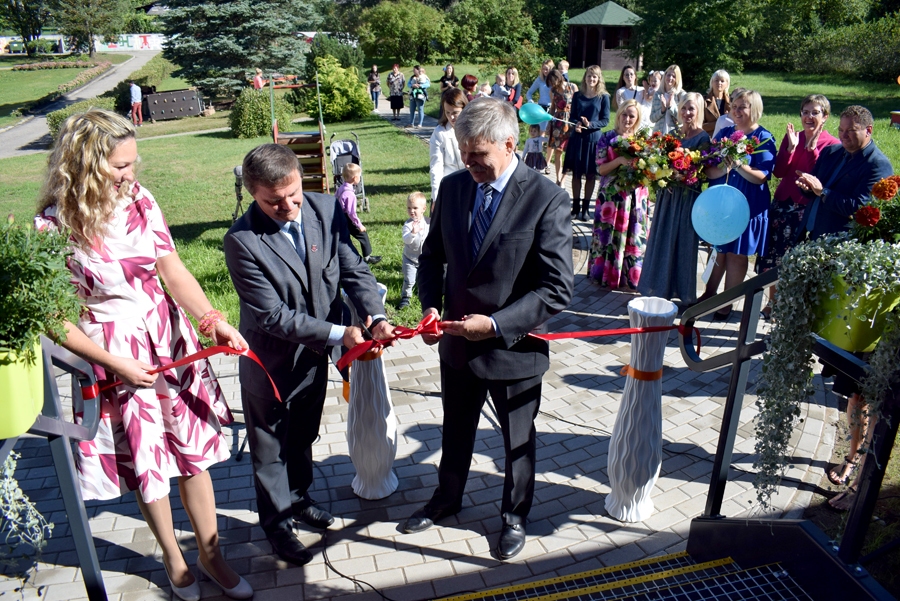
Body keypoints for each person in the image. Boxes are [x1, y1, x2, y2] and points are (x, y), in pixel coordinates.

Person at [35, 109, 252, 601]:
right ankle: (174, 562)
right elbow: (55, 317)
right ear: (83, 165)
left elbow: (172, 272)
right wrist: (113, 364)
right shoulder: (51, 228)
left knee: (193, 455)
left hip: (167, 338)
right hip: (115, 355)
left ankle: (211, 554)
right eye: (119, 167)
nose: (131, 175)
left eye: (133, 163)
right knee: (148, 462)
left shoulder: (141, 201)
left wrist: (211, 321)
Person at [402, 97, 574, 561]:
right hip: (456, 344)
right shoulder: (455, 189)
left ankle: (514, 515)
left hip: (513, 349)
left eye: (478, 155)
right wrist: (431, 307)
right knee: (455, 430)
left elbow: (557, 289)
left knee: (518, 440)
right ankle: (446, 500)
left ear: (509, 144)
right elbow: (433, 256)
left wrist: (497, 324)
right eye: (464, 153)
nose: (469, 163)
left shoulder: (546, 198)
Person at [223, 144, 394, 567]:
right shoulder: (242, 241)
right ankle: (277, 525)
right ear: (252, 194)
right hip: (271, 363)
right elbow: (272, 315)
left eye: (294, 194)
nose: (287, 206)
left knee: (302, 437)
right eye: (273, 200)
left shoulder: (325, 209)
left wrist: (375, 315)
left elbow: (353, 269)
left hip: (312, 360)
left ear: (302, 179)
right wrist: (342, 333)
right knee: (270, 450)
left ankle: (299, 499)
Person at [758, 94, 839, 316]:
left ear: (825, 117)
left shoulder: (833, 145)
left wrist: (812, 149)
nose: (809, 116)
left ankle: (787, 306)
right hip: (782, 203)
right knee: (774, 256)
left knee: (792, 258)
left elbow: (816, 178)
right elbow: (780, 172)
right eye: (805, 112)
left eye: (815, 112)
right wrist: (791, 148)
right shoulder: (794, 136)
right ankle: (773, 302)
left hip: (804, 209)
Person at [698, 89, 776, 319]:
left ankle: (726, 302)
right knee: (718, 251)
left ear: (755, 109)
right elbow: (710, 171)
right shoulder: (726, 133)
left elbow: (762, 176)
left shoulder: (764, 137)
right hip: (722, 205)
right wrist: (724, 166)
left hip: (747, 205)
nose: (737, 110)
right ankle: (708, 295)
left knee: (736, 254)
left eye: (743, 106)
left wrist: (740, 165)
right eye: (734, 106)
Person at [638, 93, 711, 304]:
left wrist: (685, 173)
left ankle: (684, 294)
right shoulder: (672, 135)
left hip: (687, 198)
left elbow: (702, 171)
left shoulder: (702, 138)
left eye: (692, 109)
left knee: (683, 242)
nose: (687, 113)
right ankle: (657, 289)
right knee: (662, 238)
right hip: (667, 196)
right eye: (684, 108)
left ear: (698, 111)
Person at [795, 105, 894, 241]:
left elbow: (861, 209)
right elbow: (814, 189)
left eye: (851, 130)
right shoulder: (830, 152)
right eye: (841, 130)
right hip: (811, 233)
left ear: (868, 130)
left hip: (841, 243)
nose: (844, 135)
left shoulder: (877, 165)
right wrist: (806, 186)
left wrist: (823, 192)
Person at [589, 100, 649, 289]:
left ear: (637, 118)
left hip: (636, 198)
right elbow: (601, 169)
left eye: (632, 116)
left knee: (633, 235)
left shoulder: (642, 142)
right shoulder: (606, 137)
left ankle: (629, 277)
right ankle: (606, 275)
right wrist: (620, 161)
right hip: (611, 198)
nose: (628, 119)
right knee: (607, 236)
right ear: (619, 115)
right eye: (625, 114)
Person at [563, 65, 610, 221]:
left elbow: (605, 120)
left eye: (594, 76)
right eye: (589, 76)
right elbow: (572, 116)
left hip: (593, 140)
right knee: (576, 173)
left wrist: (590, 125)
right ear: (585, 78)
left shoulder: (603, 97)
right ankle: (575, 208)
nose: (591, 79)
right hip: (577, 139)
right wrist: (577, 123)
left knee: (590, 175)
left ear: (599, 79)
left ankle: (585, 209)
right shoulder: (577, 95)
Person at [429, 88, 467, 206]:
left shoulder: (473, 130)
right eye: (447, 113)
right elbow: (436, 166)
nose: (451, 118)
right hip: (449, 187)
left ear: (464, 109)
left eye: (455, 112)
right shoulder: (439, 133)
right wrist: (436, 196)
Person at [337, 163, 381, 265]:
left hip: (339, 216)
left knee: (344, 238)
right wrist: (359, 225)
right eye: (359, 176)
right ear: (355, 178)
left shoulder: (341, 188)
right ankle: (367, 257)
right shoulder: (350, 194)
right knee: (362, 235)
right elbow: (351, 213)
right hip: (347, 218)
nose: (360, 178)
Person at [545, 69, 577, 186]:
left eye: (553, 81)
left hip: (570, 122)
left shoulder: (572, 87)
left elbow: (578, 104)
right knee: (558, 151)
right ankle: (558, 179)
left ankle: (563, 179)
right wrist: (549, 121)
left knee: (569, 152)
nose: (552, 85)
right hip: (558, 123)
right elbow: (553, 108)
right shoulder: (552, 92)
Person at [398, 191, 430, 310]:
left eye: (415, 208)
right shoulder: (408, 225)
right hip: (410, 259)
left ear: (423, 209)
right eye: (409, 208)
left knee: (424, 278)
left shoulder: (428, 223)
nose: (412, 211)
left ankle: (423, 295)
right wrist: (412, 233)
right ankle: (405, 297)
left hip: (424, 258)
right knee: (409, 279)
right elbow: (406, 240)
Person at [650, 65, 686, 134]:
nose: (670, 78)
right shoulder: (657, 94)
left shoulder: (682, 95)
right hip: (658, 135)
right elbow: (652, 119)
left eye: (674, 76)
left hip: (674, 135)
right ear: (665, 76)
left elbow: (683, 119)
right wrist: (662, 111)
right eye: (668, 75)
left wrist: (671, 107)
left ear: (677, 79)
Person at [525, 59, 554, 132]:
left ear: (551, 69)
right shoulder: (540, 79)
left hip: (552, 108)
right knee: (540, 132)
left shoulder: (554, 80)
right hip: (541, 109)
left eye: (547, 69)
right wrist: (530, 100)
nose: (544, 71)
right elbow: (529, 92)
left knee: (550, 133)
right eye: (543, 69)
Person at [702, 70, 730, 136]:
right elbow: (699, 126)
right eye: (716, 80)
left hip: (728, 139)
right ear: (712, 82)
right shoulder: (704, 101)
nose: (719, 83)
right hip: (709, 138)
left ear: (727, 84)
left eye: (722, 81)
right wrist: (719, 123)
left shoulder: (731, 102)